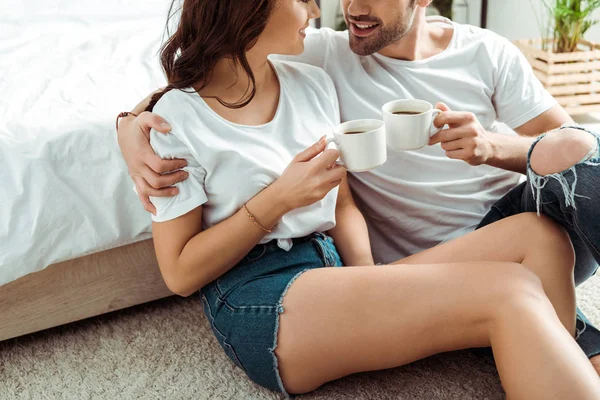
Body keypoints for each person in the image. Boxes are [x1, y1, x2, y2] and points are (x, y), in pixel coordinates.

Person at [115, 0, 600, 397]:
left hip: (332, 268)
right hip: (259, 290)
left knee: (541, 238)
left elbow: (344, 205)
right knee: (510, 290)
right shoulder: (176, 121)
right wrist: (128, 128)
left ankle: (555, 359)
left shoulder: (312, 83)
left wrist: (373, 289)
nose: (321, 8)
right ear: (250, 8)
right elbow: (179, 274)